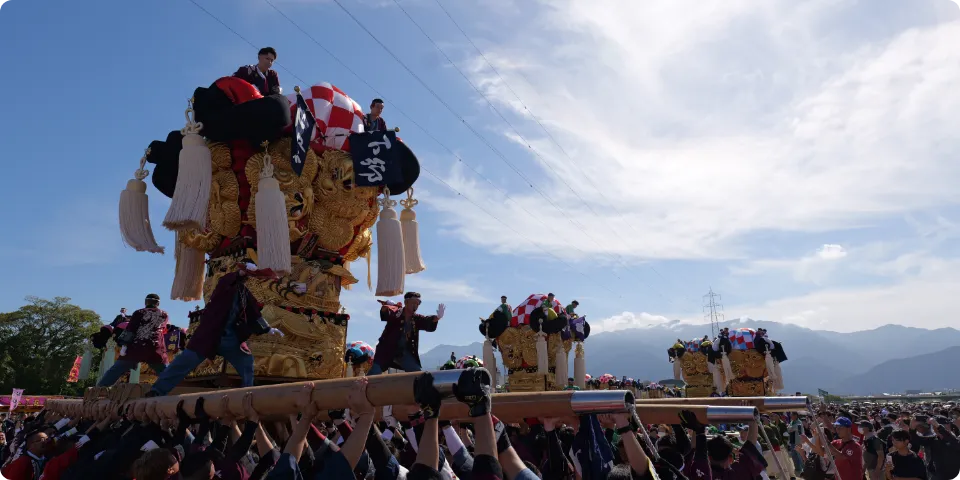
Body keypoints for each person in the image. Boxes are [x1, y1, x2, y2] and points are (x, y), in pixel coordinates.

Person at [146, 264, 284, 396]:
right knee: (183, 362)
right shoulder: (223, 285)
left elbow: (254, 313)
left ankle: (247, 393)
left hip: (230, 338)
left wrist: (267, 329)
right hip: (209, 335)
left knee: (247, 361)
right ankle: (157, 390)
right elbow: (227, 280)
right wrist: (240, 272)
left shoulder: (244, 293)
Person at [96, 294, 170, 387]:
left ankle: (100, 389)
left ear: (145, 302)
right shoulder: (164, 314)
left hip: (137, 347)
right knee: (166, 372)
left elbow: (130, 329)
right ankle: (173, 390)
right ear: (158, 303)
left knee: (117, 369)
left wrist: (124, 345)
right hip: (155, 347)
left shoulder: (139, 312)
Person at [368, 292, 445, 375]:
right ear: (406, 302)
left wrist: (437, 318)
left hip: (404, 353)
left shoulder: (416, 319)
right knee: (374, 372)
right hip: (386, 350)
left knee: (417, 374)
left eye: (418, 304)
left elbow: (426, 320)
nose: (415, 306)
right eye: (413, 303)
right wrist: (386, 307)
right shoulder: (396, 313)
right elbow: (386, 313)